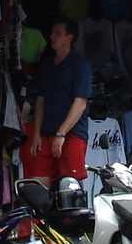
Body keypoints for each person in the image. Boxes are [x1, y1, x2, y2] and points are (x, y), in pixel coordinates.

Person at [24, 19, 91, 182]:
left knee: (68, 187)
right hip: (46, 133)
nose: (52, 37)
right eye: (52, 33)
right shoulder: (46, 64)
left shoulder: (80, 65)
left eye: (58, 33)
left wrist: (61, 134)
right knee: (38, 185)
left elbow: (80, 104)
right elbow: (41, 100)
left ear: (70, 37)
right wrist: (37, 133)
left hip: (71, 135)